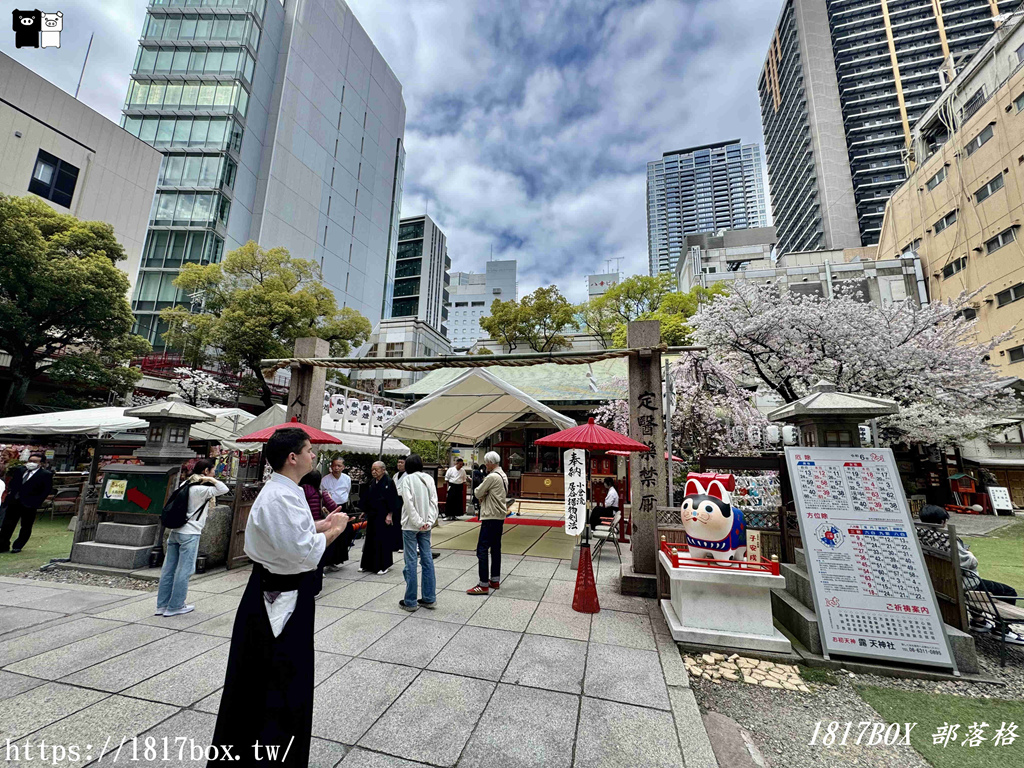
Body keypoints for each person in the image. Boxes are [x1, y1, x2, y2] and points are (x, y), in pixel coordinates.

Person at [209, 427, 349, 767]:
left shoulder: (287, 491)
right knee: (279, 679)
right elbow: (302, 553)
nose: (313, 456)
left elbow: (293, 532)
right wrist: (334, 531)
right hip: (279, 592)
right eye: (309, 450)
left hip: (276, 588)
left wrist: (321, 523)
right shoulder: (281, 495)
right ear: (293, 458)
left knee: (266, 676)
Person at [919, 505, 1023, 644]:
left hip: (942, 582)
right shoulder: (947, 539)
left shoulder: (920, 535)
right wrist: (969, 554)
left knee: (978, 591)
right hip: (961, 582)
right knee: (1008, 591)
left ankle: (978, 621)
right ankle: (1001, 630)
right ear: (942, 521)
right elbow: (970, 562)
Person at [155, 459, 228, 617]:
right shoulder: (202, 490)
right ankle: (175, 606)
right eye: (213, 470)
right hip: (191, 533)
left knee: (168, 569)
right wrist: (211, 480)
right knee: (184, 570)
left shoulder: (185, 485)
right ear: (206, 471)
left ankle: (162, 605)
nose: (214, 473)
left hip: (176, 531)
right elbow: (223, 488)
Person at [397, 454, 438, 611]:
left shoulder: (407, 479)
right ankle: (429, 598)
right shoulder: (428, 479)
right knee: (427, 559)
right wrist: (428, 521)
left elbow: (408, 503)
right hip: (426, 526)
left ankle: (411, 600)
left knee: (411, 561)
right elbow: (433, 501)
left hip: (410, 525)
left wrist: (417, 522)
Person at [467, 452, 508, 595]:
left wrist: (482, 494)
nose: (485, 465)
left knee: (482, 549)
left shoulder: (491, 477)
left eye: (486, 462)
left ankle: (483, 584)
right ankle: (495, 579)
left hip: (490, 515)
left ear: (491, 462)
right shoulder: (503, 475)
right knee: (496, 548)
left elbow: (478, 492)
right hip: (499, 516)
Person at [298, 469, 341, 598]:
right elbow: (335, 507)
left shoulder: (299, 492)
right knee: (318, 554)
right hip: (319, 525)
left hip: (303, 526)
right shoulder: (321, 493)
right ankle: (316, 588)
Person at [0, 452, 54, 554]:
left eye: (34, 461)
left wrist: (36, 502)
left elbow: (46, 490)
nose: (31, 463)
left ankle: (18, 545)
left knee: (26, 526)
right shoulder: (20, 470)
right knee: (7, 524)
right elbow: (13, 484)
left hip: (29, 503)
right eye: (30, 461)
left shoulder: (45, 474)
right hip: (14, 501)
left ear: (41, 463)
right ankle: (3, 545)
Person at [360, 461, 399, 575]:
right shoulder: (372, 482)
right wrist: (364, 511)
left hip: (383, 515)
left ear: (383, 469)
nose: (374, 472)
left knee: (382, 540)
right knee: (370, 539)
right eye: (372, 469)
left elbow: (393, 499)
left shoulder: (389, 482)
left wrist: (390, 514)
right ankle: (367, 564)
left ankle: (383, 565)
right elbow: (367, 498)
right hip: (373, 514)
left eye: (376, 469)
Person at [390, 457, 407, 552]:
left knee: (401, 522)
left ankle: (402, 545)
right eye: (398, 462)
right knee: (394, 522)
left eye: (401, 462)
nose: (399, 464)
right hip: (395, 499)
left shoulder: (408, 475)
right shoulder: (395, 475)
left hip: (403, 499)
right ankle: (394, 544)